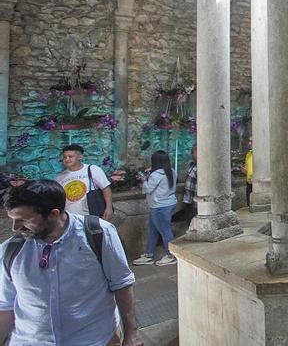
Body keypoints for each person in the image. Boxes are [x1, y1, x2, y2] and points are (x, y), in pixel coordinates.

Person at [0, 180, 144, 345]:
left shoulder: (98, 233)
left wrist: (131, 332)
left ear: (53, 214)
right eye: (13, 219)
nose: (15, 227)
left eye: (23, 220)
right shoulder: (11, 250)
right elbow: (6, 304)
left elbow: (121, 284)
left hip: (95, 340)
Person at [132, 151, 177, 266]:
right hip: (167, 204)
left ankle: (171, 255)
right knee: (152, 231)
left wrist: (143, 180)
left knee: (165, 231)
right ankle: (148, 254)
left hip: (159, 207)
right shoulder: (172, 171)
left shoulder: (156, 175)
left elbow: (148, 189)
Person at [55, 144, 114, 220]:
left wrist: (109, 208)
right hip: (70, 218)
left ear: (80, 157)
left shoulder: (93, 169)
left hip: (92, 214)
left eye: (70, 156)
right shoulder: (59, 178)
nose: (67, 159)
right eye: (64, 157)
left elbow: (106, 189)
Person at [174, 145, 198, 224]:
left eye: (193, 152)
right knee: (189, 220)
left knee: (193, 222)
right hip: (188, 200)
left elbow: (201, 184)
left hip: (194, 201)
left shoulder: (202, 166)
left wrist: (197, 201)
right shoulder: (192, 164)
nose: (191, 154)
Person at [244, 138, 254, 207]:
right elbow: (246, 169)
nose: (249, 143)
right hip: (249, 181)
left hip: (256, 181)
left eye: (251, 141)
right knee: (249, 203)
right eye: (249, 141)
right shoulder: (248, 154)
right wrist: (244, 170)